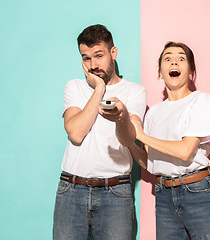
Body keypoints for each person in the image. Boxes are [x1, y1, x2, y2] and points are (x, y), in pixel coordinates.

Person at [128, 42, 210, 240]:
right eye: (167, 58)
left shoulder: (201, 101)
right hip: (163, 195)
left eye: (181, 58)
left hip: (196, 192)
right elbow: (150, 163)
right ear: (160, 71)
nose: (174, 61)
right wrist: (129, 140)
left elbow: (185, 151)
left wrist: (141, 136)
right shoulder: (154, 113)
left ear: (191, 72)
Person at [53, 24, 146, 240]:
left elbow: (130, 138)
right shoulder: (74, 87)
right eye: (86, 58)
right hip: (71, 189)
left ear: (113, 52)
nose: (93, 64)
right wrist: (99, 89)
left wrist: (121, 118)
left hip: (115, 192)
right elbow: (76, 133)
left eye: (99, 55)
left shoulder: (135, 92)